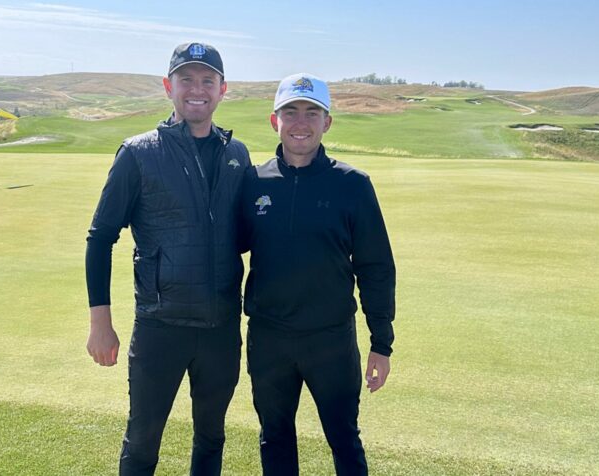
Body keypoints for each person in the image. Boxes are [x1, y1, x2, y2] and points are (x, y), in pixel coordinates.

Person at [85, 42, 251, 476]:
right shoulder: (138, 154)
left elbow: (252, 234)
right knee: (142, 443)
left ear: (222, 90)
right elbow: (100, 238)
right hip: (161, 328)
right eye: (186, 79)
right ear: (168, 86)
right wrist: (100, 324)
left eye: (207, 81)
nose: (197, 89)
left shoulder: (237, 155)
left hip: (220, 329)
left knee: (211, 437)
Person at [239, 73, 396, 475]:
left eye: (313, 112)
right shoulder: (253, 182)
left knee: (344, 439)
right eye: (290, 111)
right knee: (274, 437)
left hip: (331, 341)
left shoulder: (353, 185)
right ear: (274, 120)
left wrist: (382, 342)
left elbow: (375, 266)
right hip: (269, 338)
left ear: (327, 122)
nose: (301, 122)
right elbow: (224, 250)